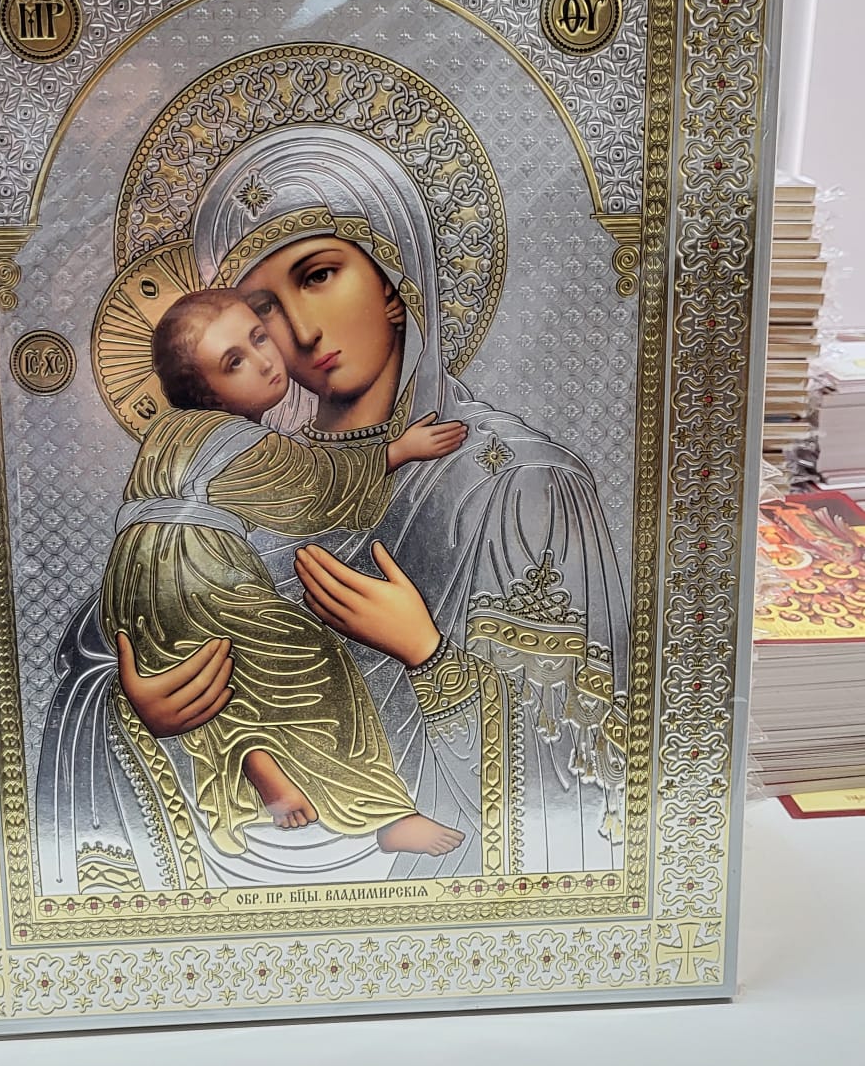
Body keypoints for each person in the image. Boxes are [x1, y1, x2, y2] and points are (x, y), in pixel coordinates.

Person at [116, 125, 630, 879]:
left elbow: (579, 772)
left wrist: (425, 652)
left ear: (393, 282)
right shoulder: (243, 473)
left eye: (319, 275)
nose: (299, 332)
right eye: (262, 309)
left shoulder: (520, 484)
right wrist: (149, 708)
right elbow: (106, 656)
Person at [103, 284, 467, 858]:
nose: (265, 359)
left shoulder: (167, 434)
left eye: (258, 337)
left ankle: (254, 754)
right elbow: (313, 487)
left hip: (131, 584)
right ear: (206, 393)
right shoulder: (233, 437)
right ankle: (384, 815)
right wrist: (396, 452)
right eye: (234, 362)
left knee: (220, 676)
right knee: (312, 663)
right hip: (198, 569)